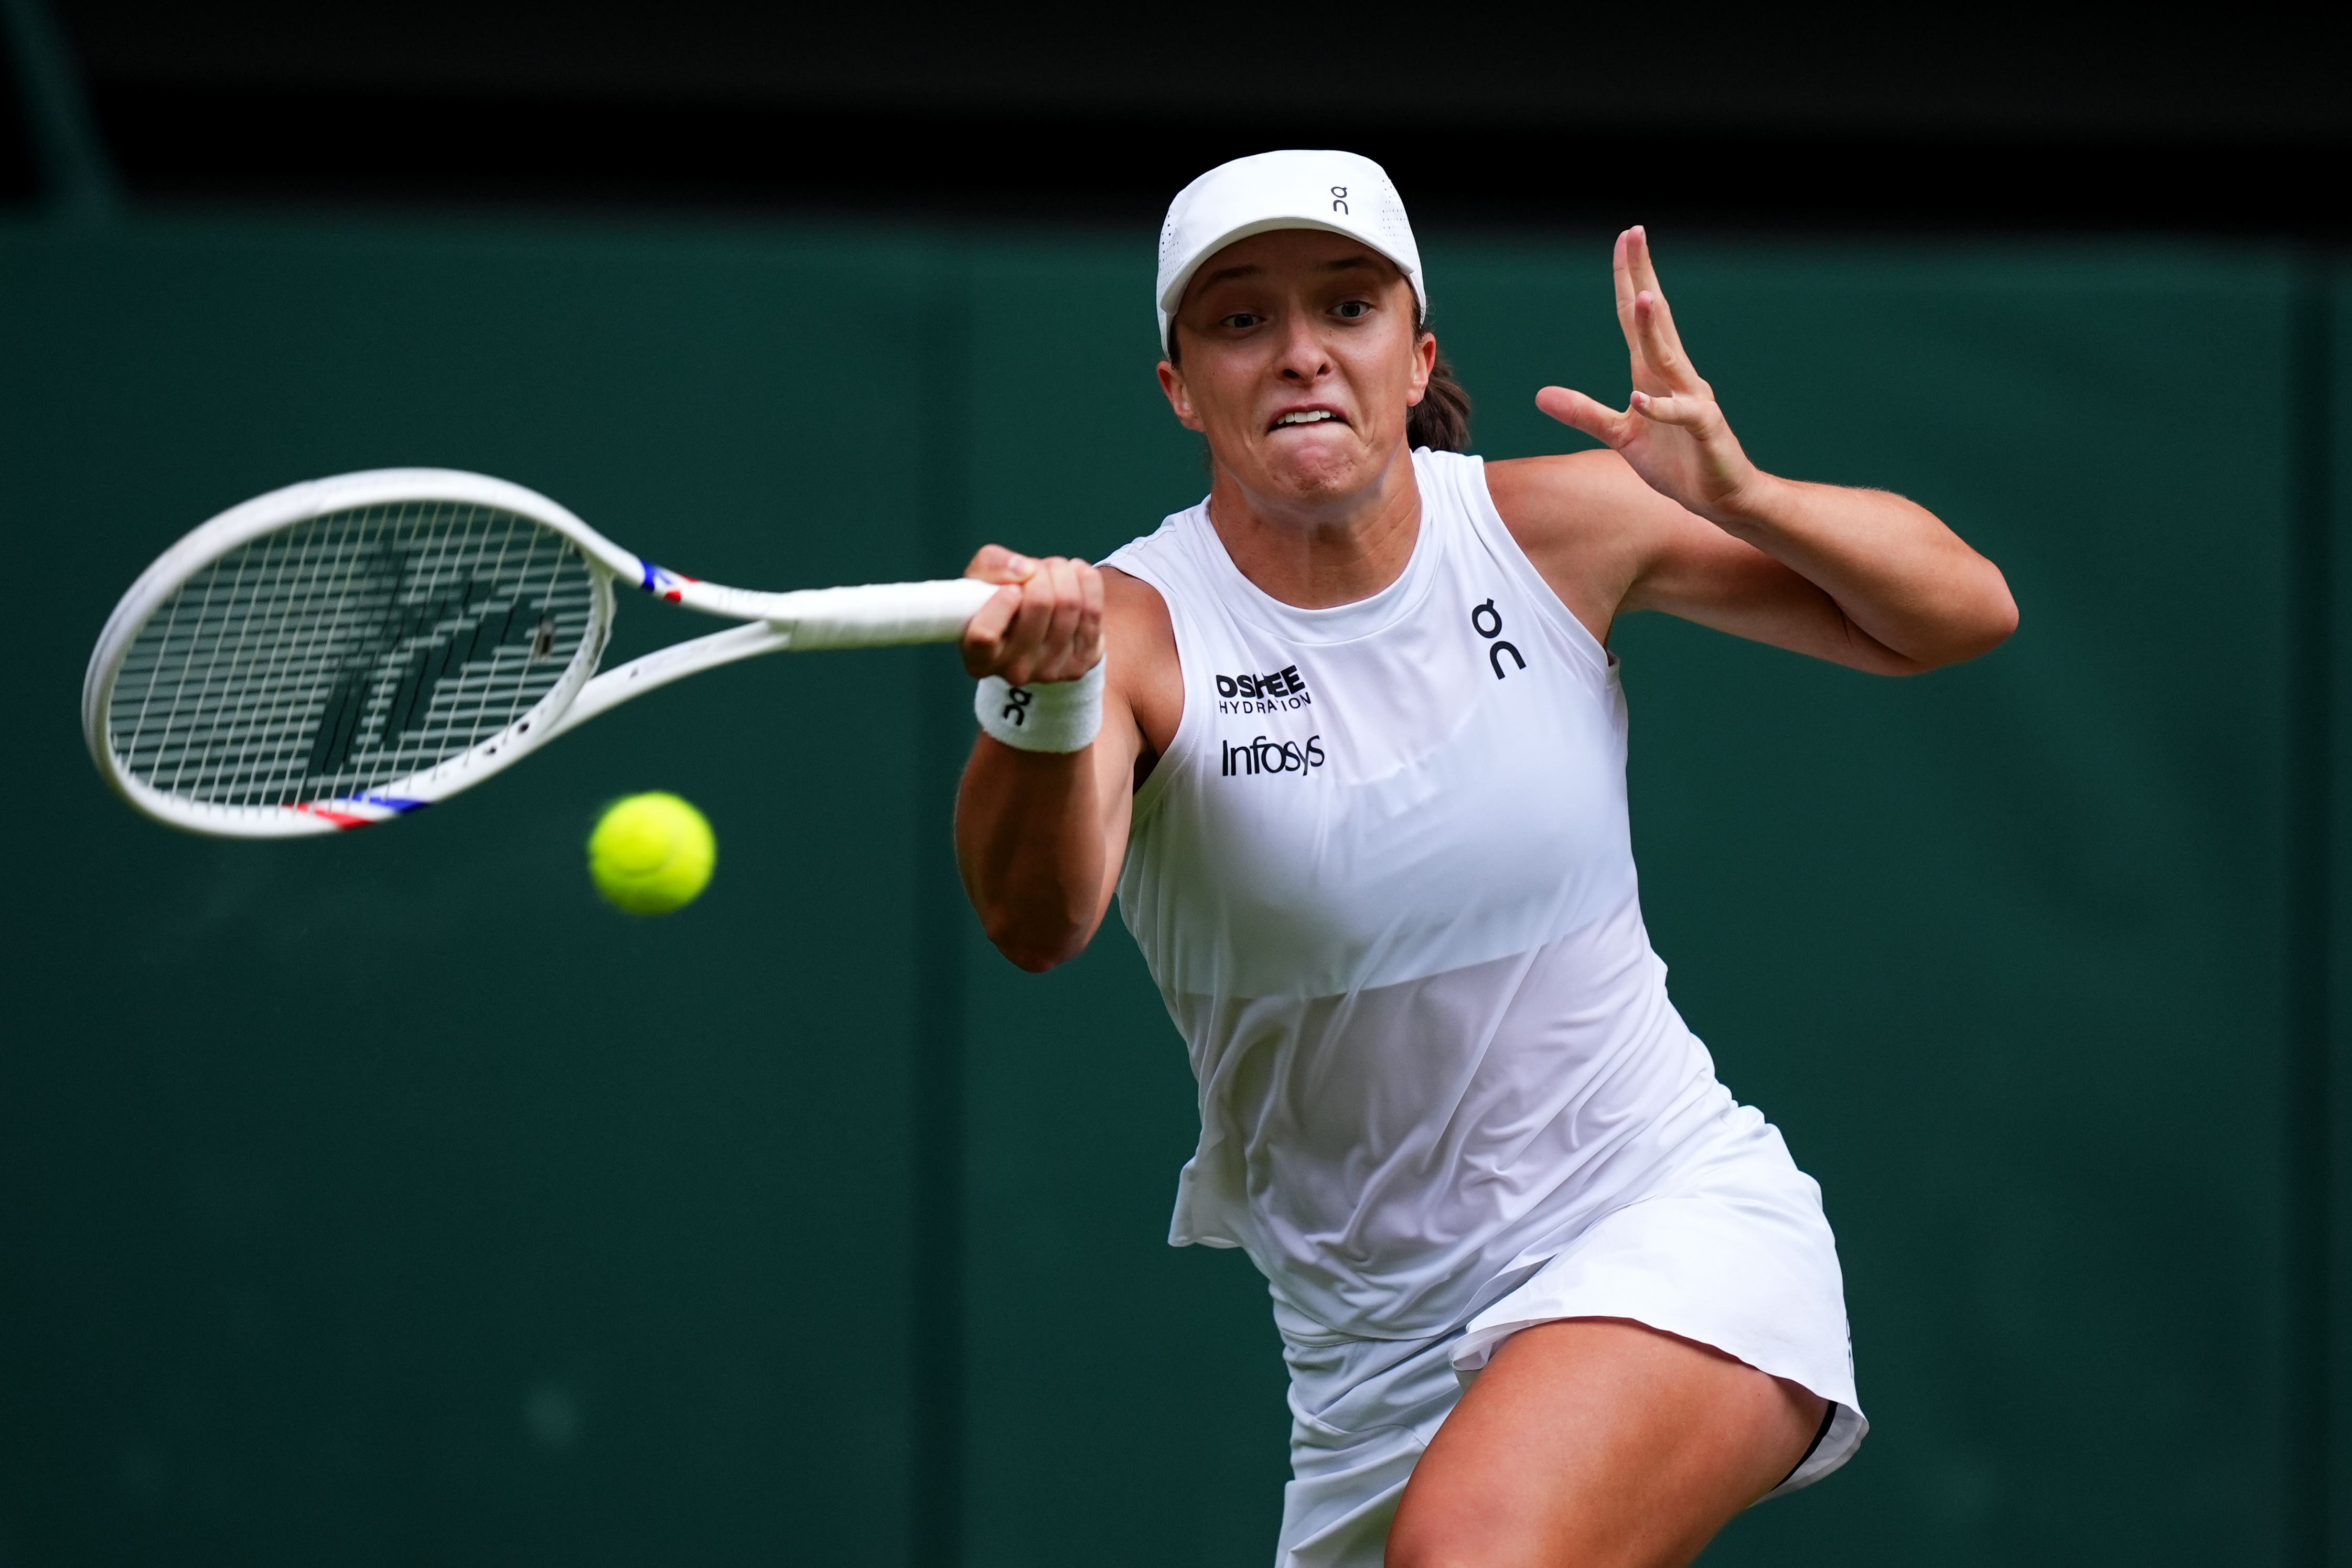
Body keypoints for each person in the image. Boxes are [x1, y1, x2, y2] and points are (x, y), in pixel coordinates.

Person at [952, 149, 2017, 1568]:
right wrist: (1037, 706)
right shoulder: (1137, 631)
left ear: (1416, 359)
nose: (1301, 353)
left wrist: (1743, 492)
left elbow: (1960, 613)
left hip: (1660, 1222)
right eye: (1241, 320)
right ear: (1181, 387)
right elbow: (1039, 919)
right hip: (1369, 1373)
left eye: (1348, 308)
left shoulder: (1556, 527)